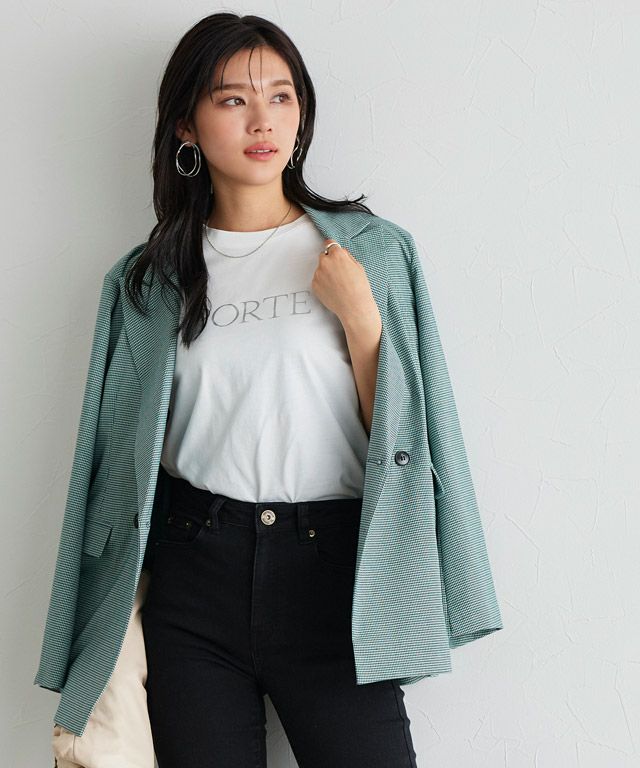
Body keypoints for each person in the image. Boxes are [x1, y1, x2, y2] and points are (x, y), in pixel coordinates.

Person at [38, 11, 503, 768]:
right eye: (233, 99)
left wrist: (362, 322)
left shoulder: (371, 251)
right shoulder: (145, 282)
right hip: (194, 575)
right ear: (186, 125)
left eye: (281, 96)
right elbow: (111, 466)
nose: (264, 120)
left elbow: (411, 437)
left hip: (335, 574)